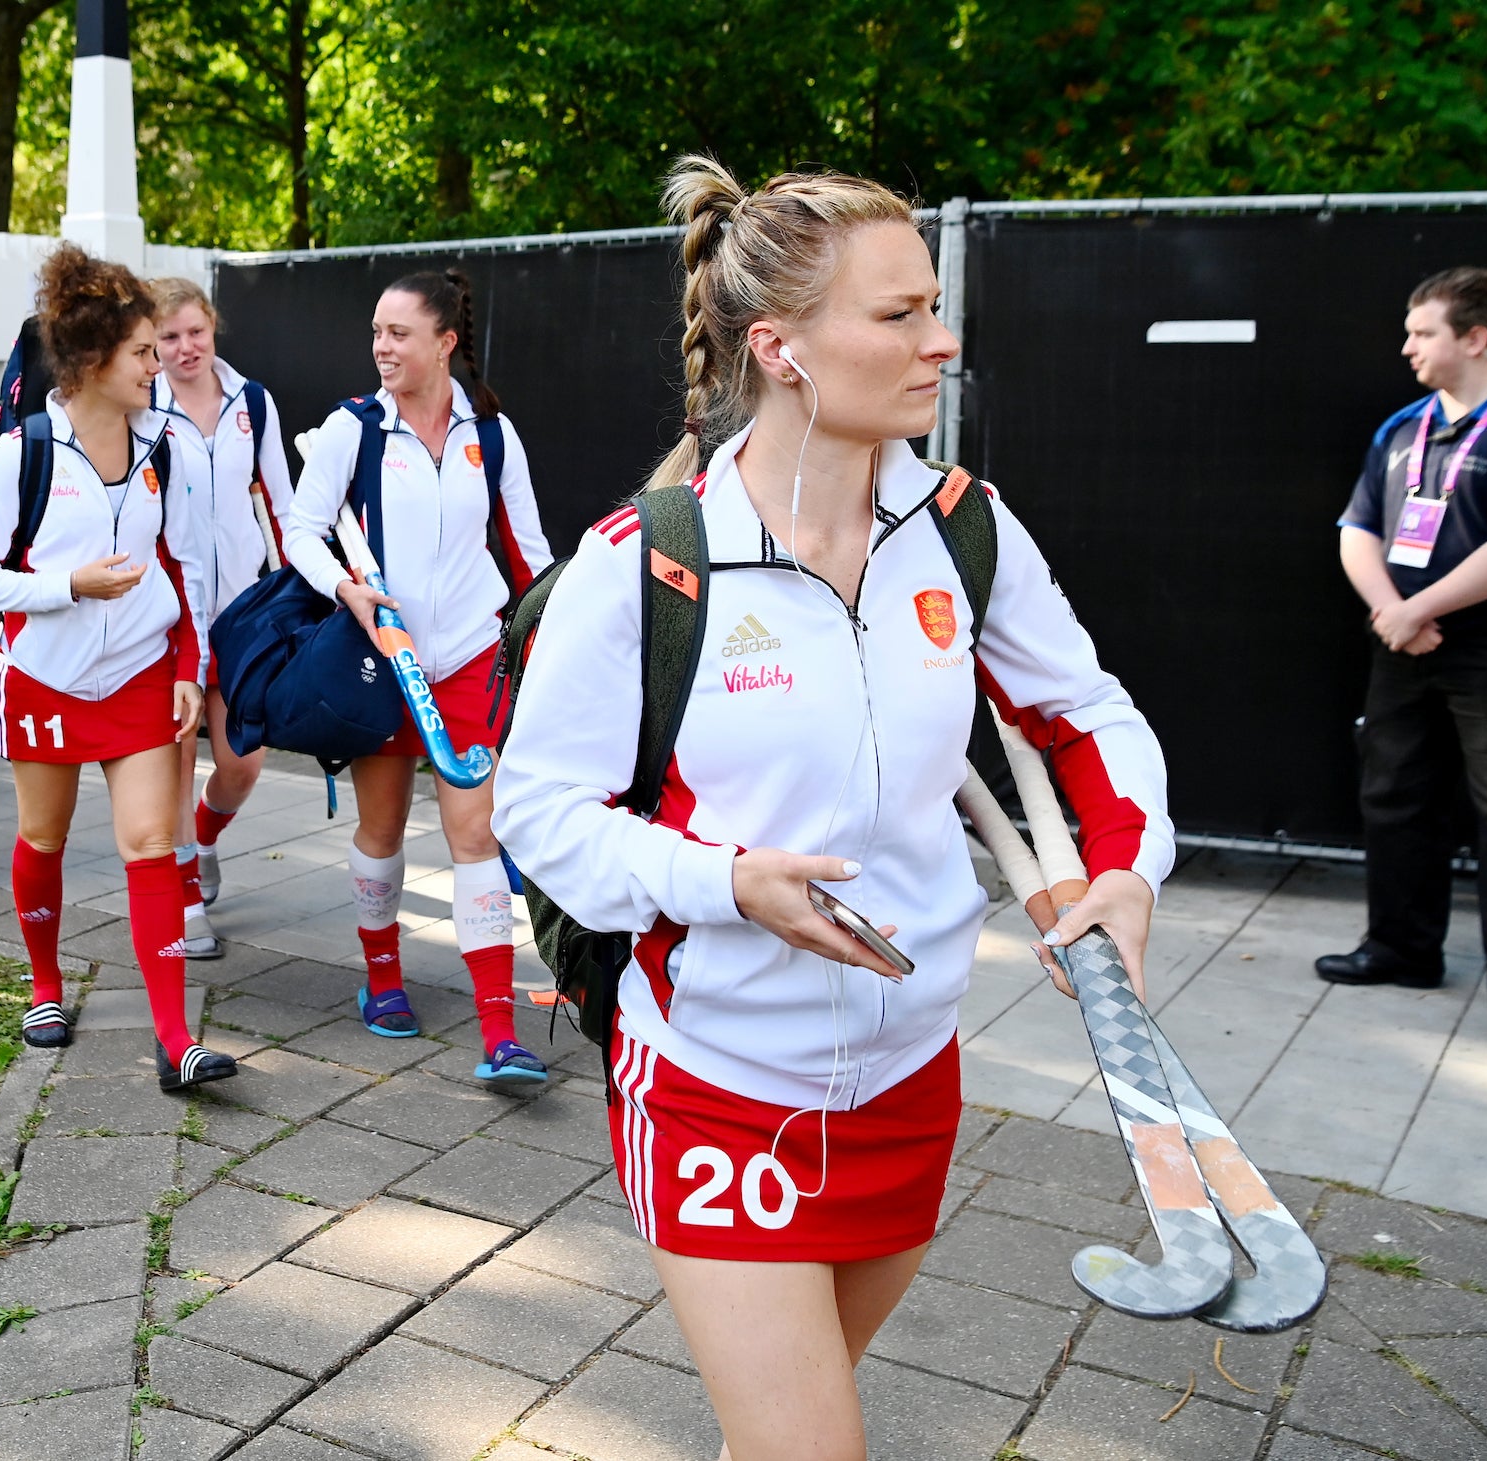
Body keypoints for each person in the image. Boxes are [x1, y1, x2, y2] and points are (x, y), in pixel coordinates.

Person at [491, 159, 1173, 1461]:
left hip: (914, 1072)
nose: (942, 336)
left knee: (792, 1434)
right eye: (902, 312)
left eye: (933, 304)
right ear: (781, 348)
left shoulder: (963, 529)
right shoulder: (649, 561)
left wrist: (1128, 870)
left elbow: (1087, 718)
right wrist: (725, 883)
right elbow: (537, 811)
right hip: (714, 1080)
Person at [0, 244, 237, 1091]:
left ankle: (175, 1039)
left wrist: (190, 663)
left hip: (144, 675)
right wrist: (64, 585)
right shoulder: (23, 454)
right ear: (90, 362)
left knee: (151, 843)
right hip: (44, 677)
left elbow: (187, 566)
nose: (161, 366)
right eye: (144, 353)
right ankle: (44, 986)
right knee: (44, 834)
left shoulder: (169, 445)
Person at [284, 269, 555, 1086]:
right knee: (383, 832)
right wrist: (350, 591)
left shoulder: (493, 436)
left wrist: (546, 641)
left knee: (476, 834)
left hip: (474, 656)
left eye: (398, 333)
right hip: (385, 658)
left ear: (444, 343)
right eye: (375, 332)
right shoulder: (350, 429)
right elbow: (300, 531)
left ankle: (500, 1032)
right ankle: (383, 976)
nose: (381, 347)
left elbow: (530, 555)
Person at [1319, 266, 1487, 1066]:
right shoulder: (1402, 426)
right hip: (1402, 641)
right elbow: (1358, 526)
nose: (1407, 346)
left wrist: (1421, 609)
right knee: (1394, 791)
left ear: (1476, 338)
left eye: (1423, 332)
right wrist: (1392, 610)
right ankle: (1402, 947)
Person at [149, 275, 295, 957]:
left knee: (243, 762)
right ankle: (183, 903)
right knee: (172, 762)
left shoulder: (252, 401)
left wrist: (304, 583)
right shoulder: (139, 405)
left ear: (213, 328)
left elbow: (283, 505)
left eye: (195, 333)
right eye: (169, 337)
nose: (185, 349)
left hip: (241, 611)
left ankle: (203, 840)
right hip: (166, 617)